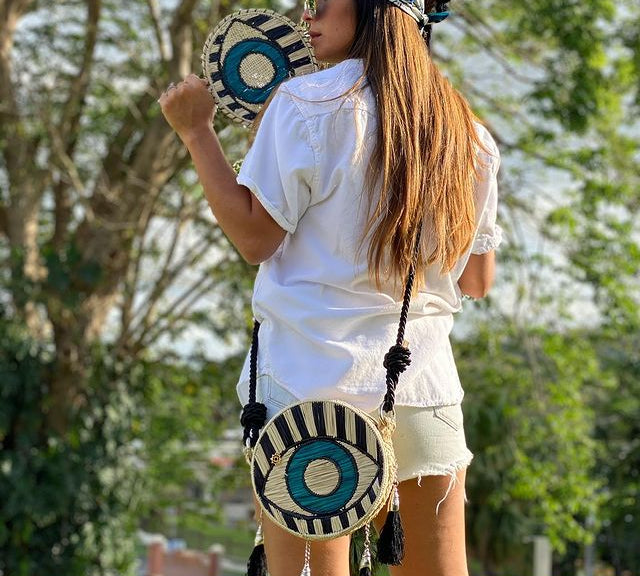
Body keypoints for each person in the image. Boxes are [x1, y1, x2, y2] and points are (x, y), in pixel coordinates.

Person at [159, 0, 502, 574]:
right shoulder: (466, 133)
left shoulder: (305, 104)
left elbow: (254, 238)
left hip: (307, 388)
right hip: (421, 387)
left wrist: (197, 132)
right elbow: (477, 279)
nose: (307, 12)